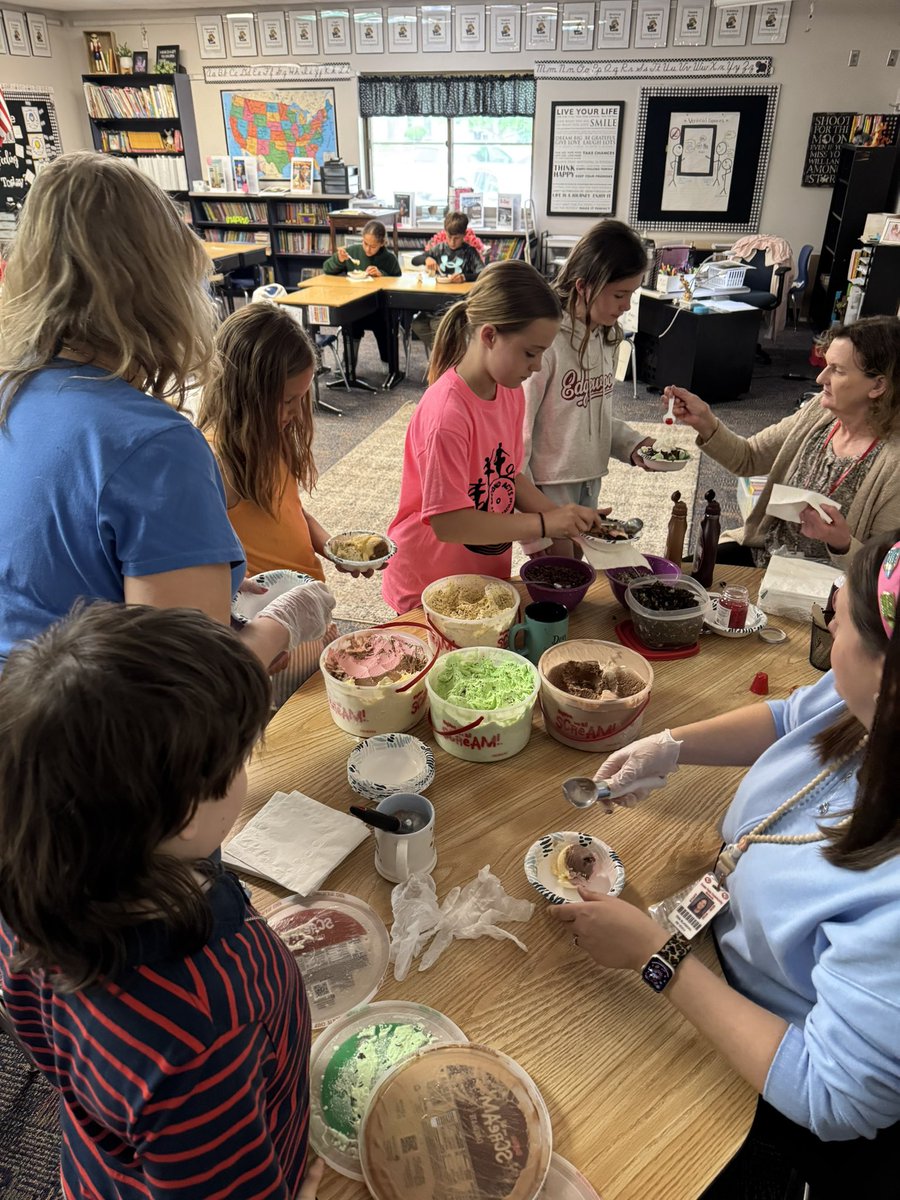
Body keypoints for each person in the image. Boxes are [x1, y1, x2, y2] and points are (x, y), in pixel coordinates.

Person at [552, 529, 900, 1196]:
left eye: (845, 611)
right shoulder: (868, 708)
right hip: (710, 949)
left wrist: (655, 957)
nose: (829, 612)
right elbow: (791, 717)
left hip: (763, 1078)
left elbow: (835, 1096)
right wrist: (668, 746)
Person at [0, 603, 325, 1199]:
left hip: (111, 1164)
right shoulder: (204, 1027)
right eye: (238, 761)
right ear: (175, 815)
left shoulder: (31, 894)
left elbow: (52, 1051)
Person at [0, 151, 334, 671]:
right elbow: (200, 683)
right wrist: (287, 621)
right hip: (103, 736)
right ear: (163, 283)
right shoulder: (154, 445)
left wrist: (209, 576)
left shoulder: (11, 395)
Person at [381, 260, 606, 614]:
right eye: (530, 353)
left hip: (480, 580)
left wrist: (564, 516)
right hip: (429, 585)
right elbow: (449, 522)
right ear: (489, 336)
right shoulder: (447, 415)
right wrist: (545, 523)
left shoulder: (510, 390)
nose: (536, 366)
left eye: (543, 353)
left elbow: (509, 476)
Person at [199, 304, 377, 700]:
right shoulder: (215, 464)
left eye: (303, 397)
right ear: (244, 394)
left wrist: (332, 548)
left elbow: (291, 512)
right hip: (272, 625)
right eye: (287, 401)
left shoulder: (270, 437)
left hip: (308, 609)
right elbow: (207, 572)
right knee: (295, 723)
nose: (298, 414)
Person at [665, 315, 900, 568]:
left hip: (823, 590)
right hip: (763, 557)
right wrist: (704, 420)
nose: (821, 379)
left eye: (838, 370)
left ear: (878, 386)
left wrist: (841, 543)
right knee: (667, 578)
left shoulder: (893, 464)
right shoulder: (819, 413)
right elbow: (749, 457)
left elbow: (883, 571)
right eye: (826, 365)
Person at [522, 220, 655, 557]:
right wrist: (533, 529)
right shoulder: (545, 342)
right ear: (583, 286)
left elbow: (589, 414)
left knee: (580, 564)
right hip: (546, 486)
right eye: (620, 294)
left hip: (589, 476)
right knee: (556, 576)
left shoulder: (605, 335)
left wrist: (631, 445)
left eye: (632, 294)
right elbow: (517, 436)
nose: (626, 305)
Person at [322, 219, 401, 385]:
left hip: (380, 309)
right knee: (351, 326)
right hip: (356, 305)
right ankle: (348, 368)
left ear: (382, 243)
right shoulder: (353, 252)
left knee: (385, 328)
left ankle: (390, 367)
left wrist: (383, 274)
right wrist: (339, 259)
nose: (367, 249)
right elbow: (327, 269)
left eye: (373, 246)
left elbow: (398, 281)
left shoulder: (389, 258)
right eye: (365, 243)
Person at [409, 211, 485, 358]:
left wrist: (465, 276)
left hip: (456, 304)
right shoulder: (439, 249)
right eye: (449, 237)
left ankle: (444, 358)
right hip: (435, 303)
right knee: (418, 324)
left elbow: (483, 273)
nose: (452, 241)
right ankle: (446, 356)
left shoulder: (469, 252)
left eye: (456, 238)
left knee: (436, 326)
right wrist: (427, 259)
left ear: (464, 235)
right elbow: (415, 260)